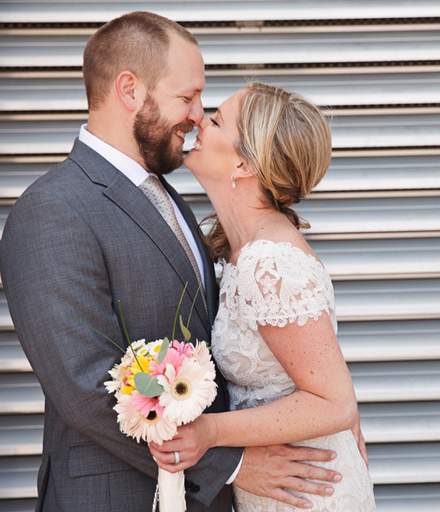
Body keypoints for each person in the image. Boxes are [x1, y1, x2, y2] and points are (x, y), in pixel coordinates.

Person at [0, 12, 345, 512]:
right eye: (187, 97)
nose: (197, 115)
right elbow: (85, 385)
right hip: (116, 496)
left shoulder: (171, 196)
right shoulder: (53, 209)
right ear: (130, 90)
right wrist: (232, 464)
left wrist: (334, 417)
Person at [148, 83, 376, 511]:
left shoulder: (268, 264)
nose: (198, 119)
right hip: (278, 485)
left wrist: (211, 433)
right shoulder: (237, 251)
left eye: (215, 121)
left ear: (245, 164)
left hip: (308, 492)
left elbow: (335, 403)